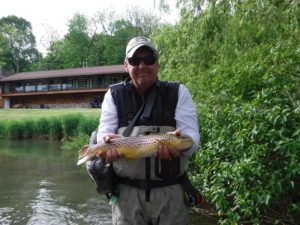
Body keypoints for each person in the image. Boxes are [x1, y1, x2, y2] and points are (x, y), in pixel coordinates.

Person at [90, 36, 200, 225]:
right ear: (126, 65)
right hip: (126, 196)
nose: (142, 66)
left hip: (171, 193)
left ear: (157, 63)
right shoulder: (114, 94)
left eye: (149, 60)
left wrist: (181, 147)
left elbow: (193, 139)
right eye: (135, 61)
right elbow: (104, 133)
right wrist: (107, 141)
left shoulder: (179, 92)